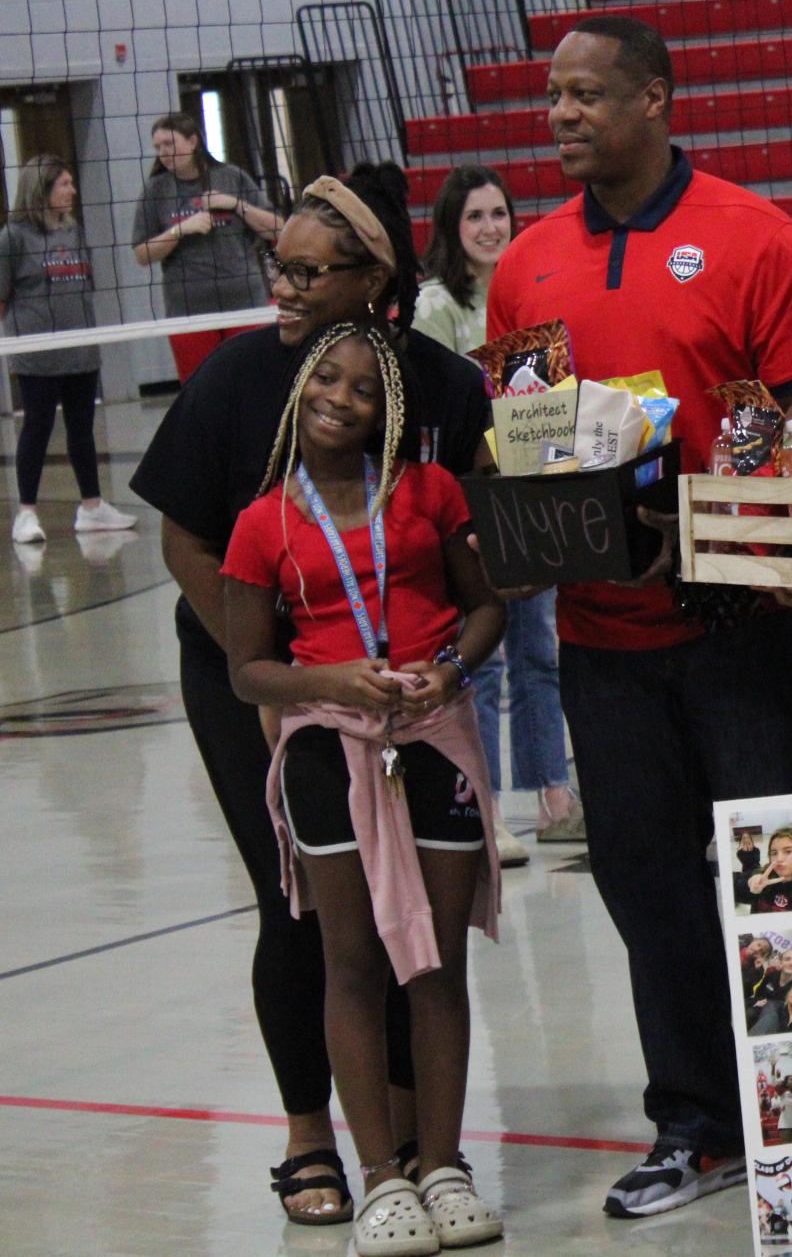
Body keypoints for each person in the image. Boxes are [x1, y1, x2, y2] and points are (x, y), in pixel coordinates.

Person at [483, 12, 792, 1219]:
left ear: (658, 98)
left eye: (589, 94)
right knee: (645, 883)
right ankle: (695, 1121)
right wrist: (542, 533)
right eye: (553, 96)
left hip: (745, 623)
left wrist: (709, 534)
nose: (565, 114)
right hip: (602, 638)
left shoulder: (759, 240)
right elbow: (530, 442)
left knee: (779, 879)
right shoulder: (525, 263)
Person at [130, 165, 492, 1228]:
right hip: (265, 680)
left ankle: (420, 1143)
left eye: (304, 270)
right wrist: (276, 662)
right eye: (274, 266)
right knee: (304, 911)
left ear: (374, 278)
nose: (280, 286)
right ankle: (309, 1136)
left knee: (417, 923)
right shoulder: (240, 378)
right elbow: (186, 533)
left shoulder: (442, 385)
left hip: (408, 690)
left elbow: (482, 533)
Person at [221, 321, 505, 1253]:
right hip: (326, 752)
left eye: (363, 390)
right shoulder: (265, 522)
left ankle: (445, 1163)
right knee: (354, 963)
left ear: (392, 415)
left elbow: (485, 608)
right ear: (299, 390)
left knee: (437, 966)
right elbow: (247, 671)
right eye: (324, 381)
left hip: (433, 738)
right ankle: (381, 1177)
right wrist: (327, 683)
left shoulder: (428, 492)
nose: (339, 400)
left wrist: (451, 674)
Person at [412, 163, 575, 861]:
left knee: (540, 648)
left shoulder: (528, 291)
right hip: (467, 497)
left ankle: (555, 795)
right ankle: (485, 804)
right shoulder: (434, 308)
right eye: (474, 217)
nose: (489, 228)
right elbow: (444, 412)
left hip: (525, 488)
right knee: (483, 657)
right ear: (452, 228)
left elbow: (546, 400)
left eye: (499, 215)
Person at [3, 155, 136, 543]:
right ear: (41, 189)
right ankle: (26, 514)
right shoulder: (13, 237)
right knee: (38, 428)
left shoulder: (73, 230)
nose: (72, 191)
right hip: (39, 352)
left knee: (82, 429)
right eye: (65, 184)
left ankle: (92, 508)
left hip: (80, 348)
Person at [130, 111, 282, 382]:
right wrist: (180, 230)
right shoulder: (155, 190)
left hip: (244, 301)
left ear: (193, 142)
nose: (163, 152)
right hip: (189, 308)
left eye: (170, 144)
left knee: (252, 383)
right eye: (157, 147)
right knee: (201, 388)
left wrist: (235, 204)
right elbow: (142, 254)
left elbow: (278, 228)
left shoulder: (231, 177)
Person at [747, 824, 792, 913]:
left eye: (788, 851)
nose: (779, 859)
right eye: (774, 853)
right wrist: (750, 883)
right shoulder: (762, 875)